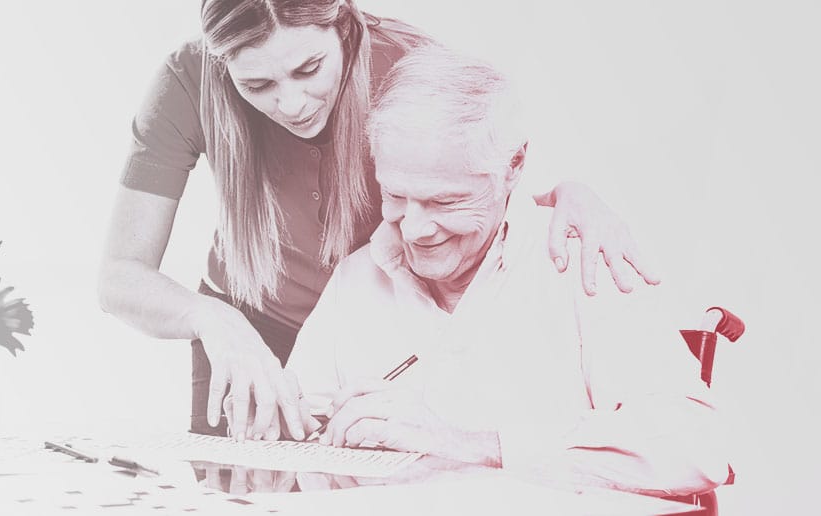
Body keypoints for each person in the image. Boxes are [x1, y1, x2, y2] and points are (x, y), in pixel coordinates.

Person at [98, 0, 660, 443]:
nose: (291, 103)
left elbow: (484, 172)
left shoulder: (408, 63)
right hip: (248, 333)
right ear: (222, 66)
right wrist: (215, 321)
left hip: (373, 334)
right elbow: (120, 275)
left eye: (308, 68)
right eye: (257, 86)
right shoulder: (183, 83)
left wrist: (571, 192)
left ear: (343, 22)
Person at [286, 44, 729, 496]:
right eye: (395, 196)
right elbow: (299, 426)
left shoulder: (583, 263)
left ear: (514, 166)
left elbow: (694, 446)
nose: (415, 230)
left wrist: (479, 445)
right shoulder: (358, 278)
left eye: (446, 201)